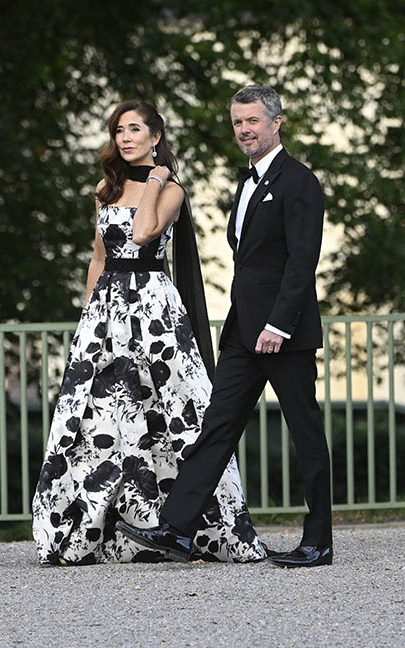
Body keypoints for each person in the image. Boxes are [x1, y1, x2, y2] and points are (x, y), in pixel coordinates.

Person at [32, 99, 266, 565]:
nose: (125, 137)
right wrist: (88, 314)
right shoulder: (104, 187)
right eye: (119, 130)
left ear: (155, 136)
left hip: (154, 307)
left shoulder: (172, 189)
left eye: (135, 129)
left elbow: (142, 234)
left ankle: (193, 526)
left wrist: (156, 178)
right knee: (98, 418)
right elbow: (99, 256)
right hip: (106, 311)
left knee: (178, 411)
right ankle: (91, 529)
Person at [118, 85, 332, 568]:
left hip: (284, 332)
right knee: (216, 427)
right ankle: (176, 529)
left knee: (305, 432)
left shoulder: (299, 181)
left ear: (277, 122)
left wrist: (279, 323)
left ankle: (318, 540)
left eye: (253, 121)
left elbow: (302, 263)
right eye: (238, 122)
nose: (244, 130)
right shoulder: (248, 181)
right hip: (243, 331)